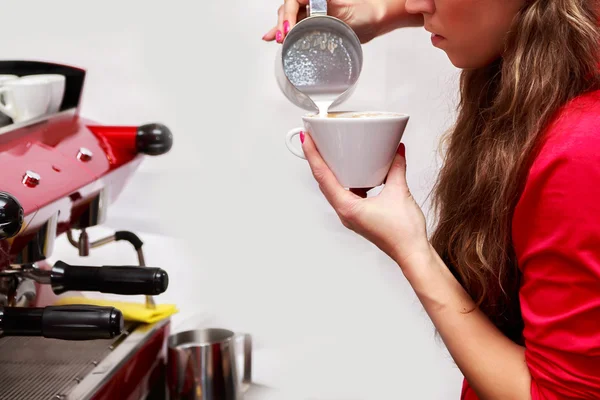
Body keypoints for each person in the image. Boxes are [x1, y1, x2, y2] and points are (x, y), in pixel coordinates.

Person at [264, 0, 600, 399]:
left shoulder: (581, 152)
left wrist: (411, 250)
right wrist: (378, 11)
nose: (414, 4)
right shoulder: (549, 86)